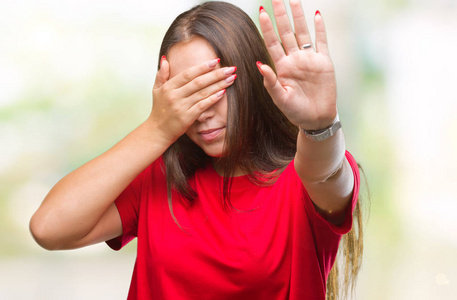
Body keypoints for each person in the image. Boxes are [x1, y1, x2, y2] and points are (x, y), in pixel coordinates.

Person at [30, 0, 364, 299]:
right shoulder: (159, 179)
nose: (201, 111)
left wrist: (320, 125)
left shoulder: (302, 180)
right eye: (185, 95)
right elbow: (49, 228)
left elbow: (326, 172)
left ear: (251, 79)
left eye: (214, 87)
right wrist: (157, 128)